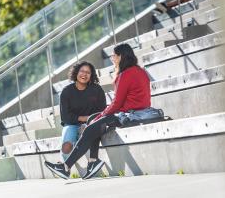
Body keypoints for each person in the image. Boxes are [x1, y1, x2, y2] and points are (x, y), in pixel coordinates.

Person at [44, 43, 151, 180]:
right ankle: (93, 162)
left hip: (131, 114)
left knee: (93, 123)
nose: (112, 58)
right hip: (138, 111)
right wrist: (98, 117)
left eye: (114, 55)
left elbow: (117, 103)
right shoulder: (140, 71)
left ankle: (66, 167)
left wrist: (100, 116)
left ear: (121, 57)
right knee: (94, 121)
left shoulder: (125, 75)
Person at [58, 61, 106, 165]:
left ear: (91, 75)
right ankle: (64, 165)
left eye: (88, 72)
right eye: (82, 71)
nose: (84, 74)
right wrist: (84, 118)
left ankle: (91, 163)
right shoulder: (66, 91)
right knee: (66, 146)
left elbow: (102, 111)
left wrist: (88, 122)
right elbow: (65, 117)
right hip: (71, 124)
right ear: (76, 72)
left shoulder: (97, 90)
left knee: (87, 133)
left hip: (91, 123)